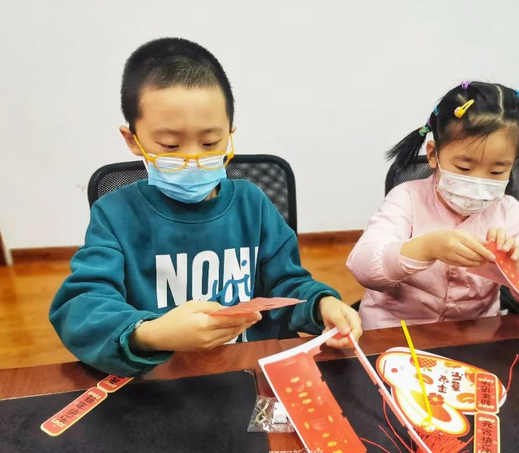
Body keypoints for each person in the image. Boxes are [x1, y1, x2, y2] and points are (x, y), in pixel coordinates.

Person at [50, 38, 361, 376]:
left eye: (210, 142)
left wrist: (321, 304)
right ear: (132, 140)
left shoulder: (252, 204)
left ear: (230, 132)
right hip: (162, 381)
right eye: (170, 145)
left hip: (249, 372)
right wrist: (152, 334)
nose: (193, 158)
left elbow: (287, 285)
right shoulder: (116, 215)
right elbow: (81, 308)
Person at [347, 81, 519, 329]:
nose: (479, 183)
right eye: (464, 168)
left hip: (473, 335)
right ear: (433, 155)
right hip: (395, 332)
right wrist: (427, 248)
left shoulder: (508, 212)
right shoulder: (407, 198)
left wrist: (517, 269)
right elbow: (363, 266)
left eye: (497, 171)